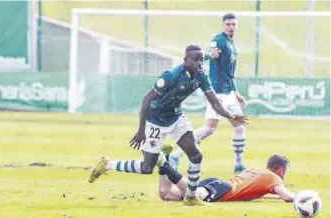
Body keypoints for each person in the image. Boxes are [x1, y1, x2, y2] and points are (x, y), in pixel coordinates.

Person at [88, 45, 248, 206]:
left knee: (196, 155)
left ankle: (191, 197)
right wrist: (141, 130)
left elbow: (214, 102)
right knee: (146, 168)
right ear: (185, 60)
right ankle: (107, 164)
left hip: (176, 117)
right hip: (155, 120)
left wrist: (231, 115)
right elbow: (146, 100)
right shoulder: (171, 76)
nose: (200, 63)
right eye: (195, 59)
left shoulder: (201, 76)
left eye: (201, 59)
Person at [170, 13, 247, 174]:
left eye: (233, 24)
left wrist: (236, 91)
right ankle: (176, 155)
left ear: (237, 26)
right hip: (218, 93)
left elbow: (228, 72)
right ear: (223, 26)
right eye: (228, 24)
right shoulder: (219, 40)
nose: (231, 27)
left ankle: (239, 165)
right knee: (209, 128)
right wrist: (207, 55)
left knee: (238, 126)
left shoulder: (231, 44)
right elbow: (206, 53)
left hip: (229, 93)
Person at [158, 146, 295, 203]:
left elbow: (259, 192)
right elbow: (287, 197)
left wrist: (275, 197)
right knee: (190, 194)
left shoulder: (257, 171)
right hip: (223, 190)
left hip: (218, 184)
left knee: (166, 193)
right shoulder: (274, 178)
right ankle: (165, 165)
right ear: (280, 171)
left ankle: (162, 166)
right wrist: (299, 197)